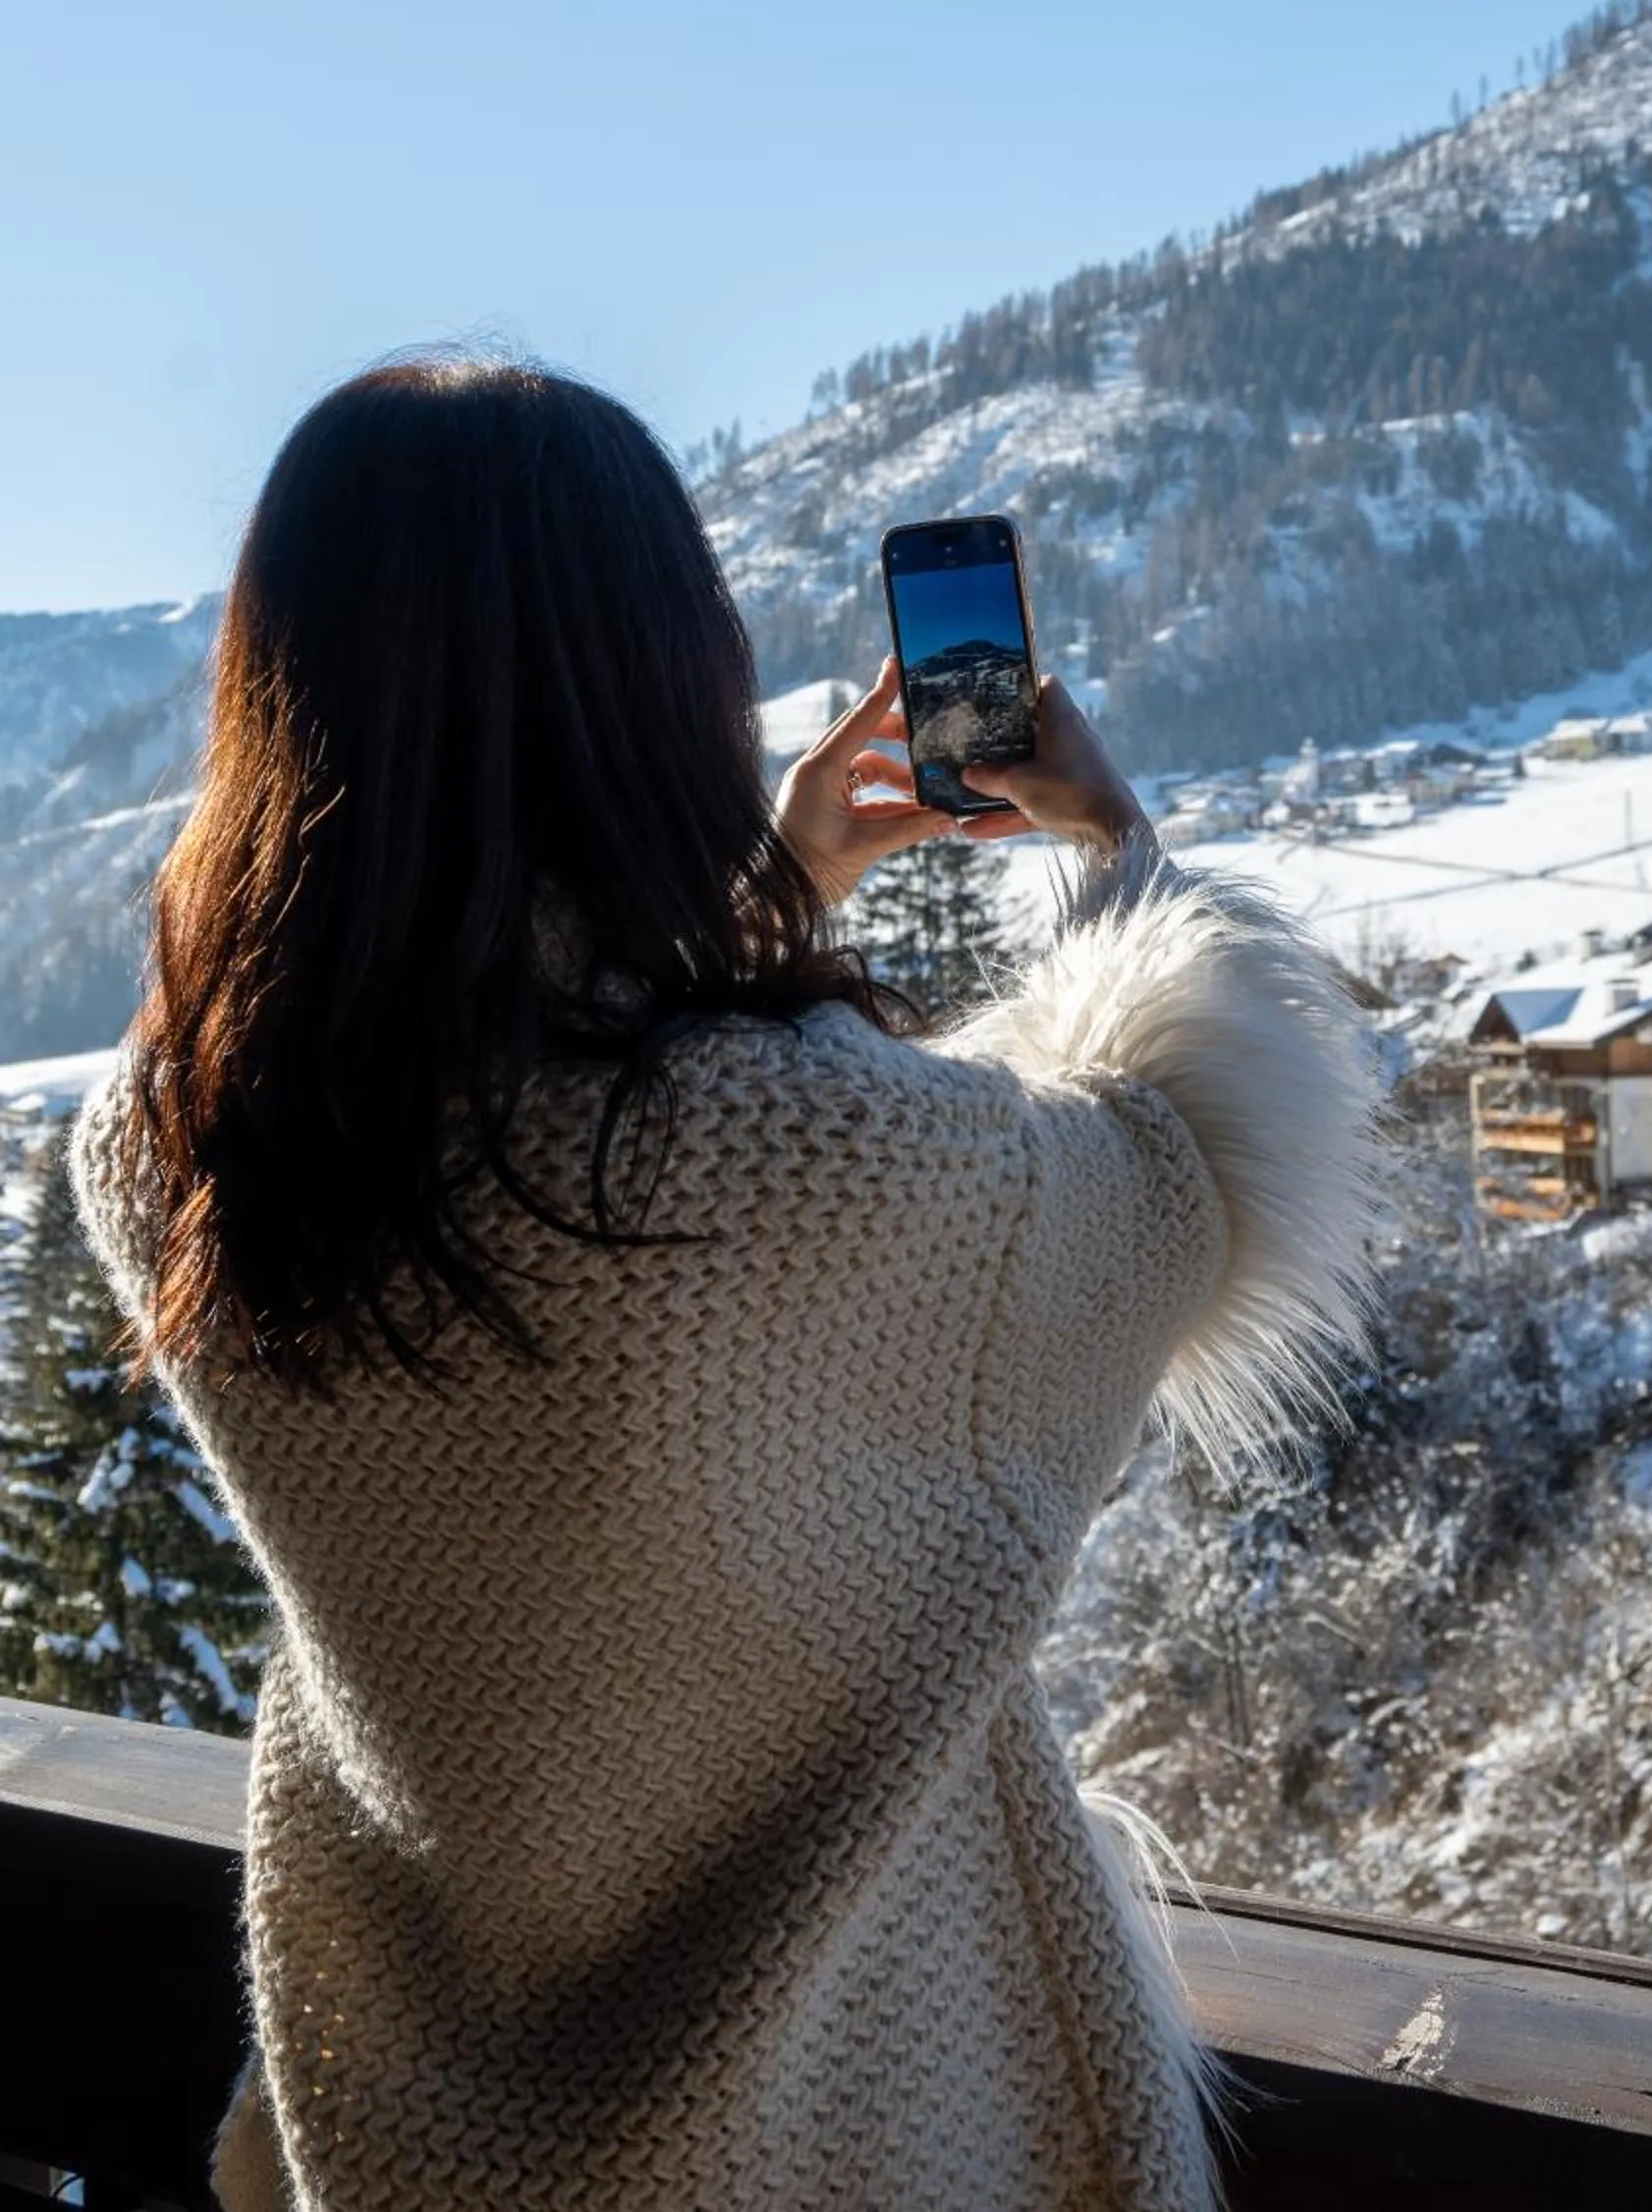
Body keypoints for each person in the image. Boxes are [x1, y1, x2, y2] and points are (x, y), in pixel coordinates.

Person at [71, 352, 1380, 2212]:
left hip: (418, 2107)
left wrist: (767, 896)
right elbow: (1165, 1192)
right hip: (852, 2123)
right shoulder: (795, 1157)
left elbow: (524, 1123)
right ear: (655, 682)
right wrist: (1118, 852)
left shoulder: (177, 1147)